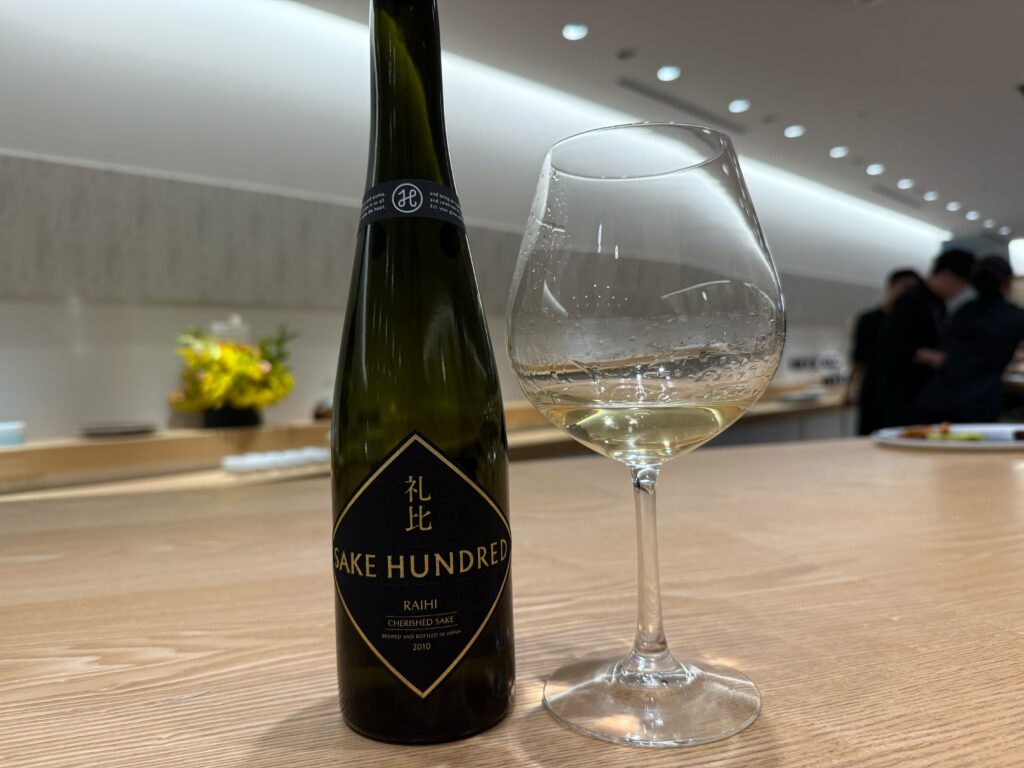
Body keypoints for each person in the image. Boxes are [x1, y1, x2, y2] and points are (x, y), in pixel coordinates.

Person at [915, 256, 1024, 423]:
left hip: (939, 395)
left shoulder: (964, 311)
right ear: (1007, 283)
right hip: (979, 400)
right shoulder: (1014, 316)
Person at [876, 249, 975, 427]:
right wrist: (931, 356)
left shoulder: (938, 303)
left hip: (925, 391)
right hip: (903, 390)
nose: (961, 290)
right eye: (961, 283)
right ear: (946, 275)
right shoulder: (911, 300)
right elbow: (891, 342)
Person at [847, 269, 922, 435]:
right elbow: (858, 357)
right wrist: (850, 388)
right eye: (905, 286)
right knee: (870, 435)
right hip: (872, 387)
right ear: (891, 287)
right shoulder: (869, 319)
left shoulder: (913, 322)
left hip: (903, 391)